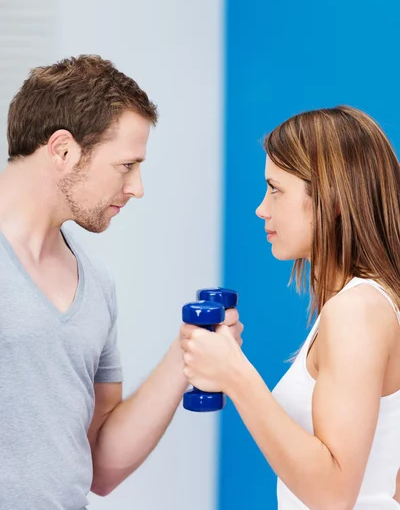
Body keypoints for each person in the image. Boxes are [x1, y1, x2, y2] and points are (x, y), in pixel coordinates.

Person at [0, 54, 243, 510]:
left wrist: (185, 354)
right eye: (125, 165)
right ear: (63, 150)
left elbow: (101, 467)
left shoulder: (96, 284)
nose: (137, 187)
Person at [181, 105, 400, 509]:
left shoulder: (357, 311)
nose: (261, 208)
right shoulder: (365, 305)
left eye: (275, 189)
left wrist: (235, 374)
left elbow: (334, 495)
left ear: (333, 199)